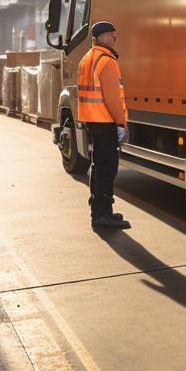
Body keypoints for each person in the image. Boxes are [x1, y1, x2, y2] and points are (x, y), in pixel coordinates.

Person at [77, 21, 131, 230]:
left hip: (92, 120)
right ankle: (102, 215)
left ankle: (100, 211)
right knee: (107, 168)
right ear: (99, 37)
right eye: (111, 36)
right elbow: (112, 99)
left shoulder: (87, 59)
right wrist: (121, 123)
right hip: (105, 120)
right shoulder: (106, 61)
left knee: (99, 167)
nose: (114, 39)